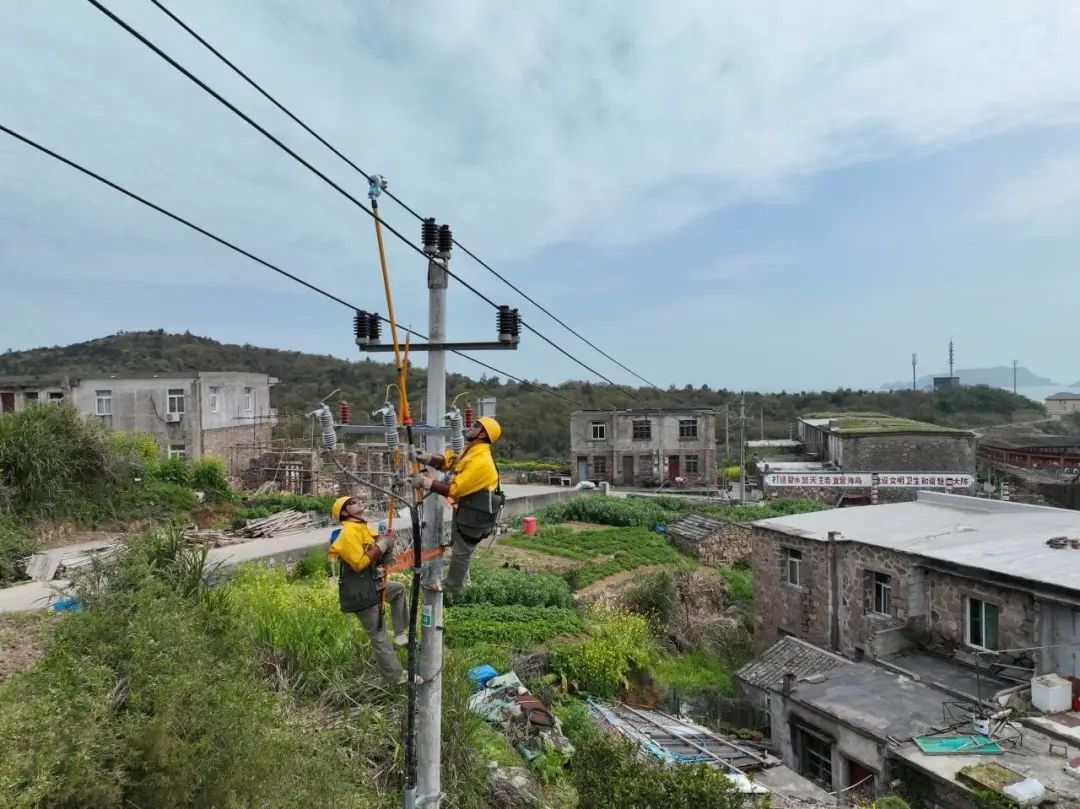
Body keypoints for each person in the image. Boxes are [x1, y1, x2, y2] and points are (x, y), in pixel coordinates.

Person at [409, 416, 503, 597]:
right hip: (469, 508)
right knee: (458, 539)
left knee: (462, 551)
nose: (470, 426)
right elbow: (449, 462)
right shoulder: (471, 450)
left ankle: (452, 588)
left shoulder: (481, 461)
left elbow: (454, 489)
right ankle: (455, 581)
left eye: (476, 425)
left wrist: (426, 482)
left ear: (483, 434)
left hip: (478, 514)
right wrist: (427, 458)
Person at [327, 495, 412, 684]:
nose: (357, 502)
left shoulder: (363, 528)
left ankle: (399, 634)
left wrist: (386, 549)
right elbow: (359, 563)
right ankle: (395, 677)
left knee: (397, 590)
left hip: (372, 584)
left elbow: (375, 558)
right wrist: (382, 545)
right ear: (343, 513)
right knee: (378, 635)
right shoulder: (347, 533)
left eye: (356, 500)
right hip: (359, 592)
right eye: (351, 503)